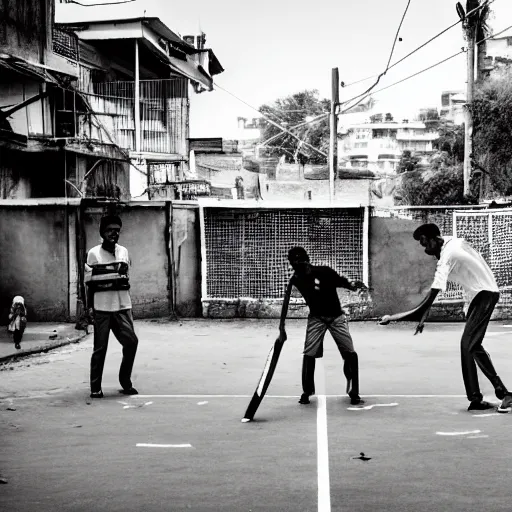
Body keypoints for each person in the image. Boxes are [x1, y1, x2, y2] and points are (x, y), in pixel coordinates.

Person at [382, 223, 511, 413]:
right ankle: (487, 396)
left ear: (435, 238)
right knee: (471, 345)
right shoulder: (452, 242)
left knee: (469, 344)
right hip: (479, 294)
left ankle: (496, 395)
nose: (425, 249)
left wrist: (394, 317)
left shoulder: (448, 255)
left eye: (426, 243)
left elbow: (427, 301)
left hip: (485, 294)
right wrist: (423, 318)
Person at [278, 246, 367, 406]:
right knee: (308, 353)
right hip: (316, 319)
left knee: (350, 353)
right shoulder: (295, 279)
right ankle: (307, 391)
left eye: (299, 260)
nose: (297, 264)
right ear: (291, 264)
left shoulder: (324, 272)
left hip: (336, 317)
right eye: (294, 262)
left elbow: (342, 281)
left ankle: (354, 392)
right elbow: (285, 303)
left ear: (306, 260)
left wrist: (354, 285)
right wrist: (281, 328)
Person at [85, 215, 139, 399]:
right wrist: (89, 308)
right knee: (100, 348)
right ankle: (95, 387)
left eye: (117, 230)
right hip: (102, 308)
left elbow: (125, 280)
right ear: (102, 232)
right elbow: (89, 284)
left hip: (123, 307)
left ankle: (125, 381)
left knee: (132, 342)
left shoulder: (124, 251)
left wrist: (129, 308)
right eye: (110, 230)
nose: (114, 233)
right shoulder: (93, 254)